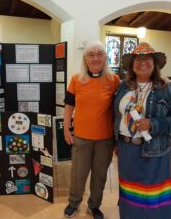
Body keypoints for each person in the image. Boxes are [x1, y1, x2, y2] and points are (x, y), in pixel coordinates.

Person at [114, 42, 171, 219]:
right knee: (129, 195)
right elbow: (115, 114)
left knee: (153, 197)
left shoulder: (168, 89)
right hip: (126, 150)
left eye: (147, 59)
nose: (142, 62)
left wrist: (153, 124)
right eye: (137, 59)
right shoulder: (123, 87)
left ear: (155, 64)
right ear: (132, 65)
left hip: (155, 151)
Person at [63, 42, 120, 219]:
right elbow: (69, 106)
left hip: (105, 139)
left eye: (100, 54)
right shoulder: (76, 79)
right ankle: (73, 202)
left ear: (105, 57)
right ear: (85, 59)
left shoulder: (114, 80)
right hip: (81, 137)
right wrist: (66, 128)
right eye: (91, 55)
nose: (95, 58)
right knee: (78, 175)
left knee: (100, 176)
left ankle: (94, 206)